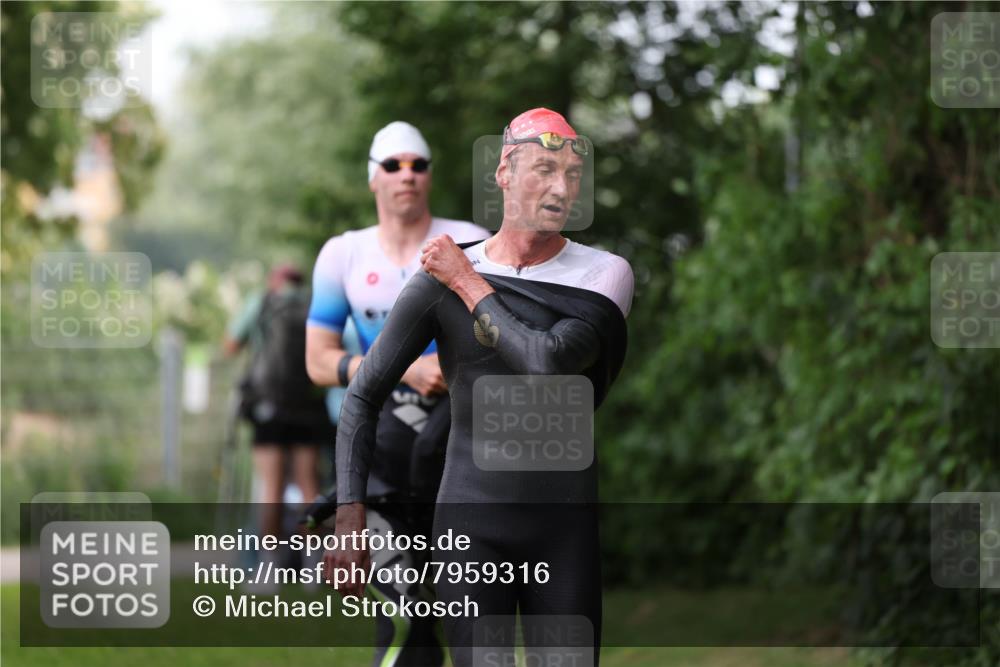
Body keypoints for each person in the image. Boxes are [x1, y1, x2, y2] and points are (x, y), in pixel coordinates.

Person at [329, 108, 633, 667]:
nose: (560, 187)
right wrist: (351, 516)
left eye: (571, 174)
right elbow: (363, 395)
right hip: (472, 524)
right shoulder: (440, 279)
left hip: (562, 530)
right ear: (504, 174)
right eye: (544, 169)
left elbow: (547, 366)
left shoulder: (602, 274)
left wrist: (466, 282)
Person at [305, 121, 490, 667]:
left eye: (418, 164)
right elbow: (317, 361)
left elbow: (500, 337)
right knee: (404, 611)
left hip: (457, 448)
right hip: (381, 450)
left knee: (466, 611)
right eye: (393, 165)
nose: (407, 174)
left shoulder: (471, 241)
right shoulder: (344, 254)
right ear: (373, 179)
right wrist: (398, 371)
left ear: (429, 177)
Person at [224, 263, 331, 554]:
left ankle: (270, 565)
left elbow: (230, 344)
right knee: (309, 485)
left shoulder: (261, 301)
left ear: (275, 280)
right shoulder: (314, 304)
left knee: (271, 488)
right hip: (309, 406)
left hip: (267, 407)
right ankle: (314, 566)